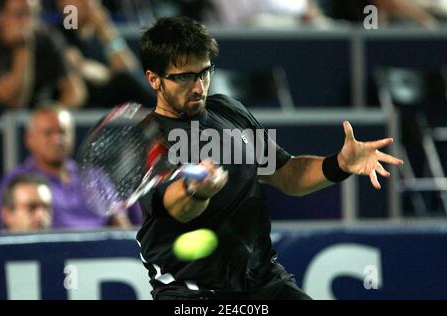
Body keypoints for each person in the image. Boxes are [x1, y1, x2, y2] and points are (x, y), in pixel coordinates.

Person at [136, 16, 403, 300]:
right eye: (185, 77)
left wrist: (339, 163)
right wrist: (196, 191)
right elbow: (178, 207)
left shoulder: (229, 111)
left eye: (204, 72)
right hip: (191, 293)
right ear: (154, 79)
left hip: (263, 281)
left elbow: (287, 174)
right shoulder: (148, 138)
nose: (199, 87)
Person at [0, 107, 142, 230]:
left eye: (62, 132)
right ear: (29, 139)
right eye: (48, 133)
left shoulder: (93, 176)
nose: (57, 139)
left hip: (102, 256)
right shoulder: (16, 181)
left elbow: (119, 220)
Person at [54, 0, 155, 109]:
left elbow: (130, 70)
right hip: (86, 101)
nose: (85, 3)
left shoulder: (103, 34)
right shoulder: (57, 35)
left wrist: (106, 31)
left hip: (115, 103)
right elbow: (76, 66)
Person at [0, 0, 86, 113]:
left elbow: (75, 91)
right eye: (19, 14)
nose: (27, 21)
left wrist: (53, 115)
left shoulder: (46, 38)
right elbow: (13, 102)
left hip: (39, 115)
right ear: (2, 16)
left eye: (33, 14)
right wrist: (22, 47)